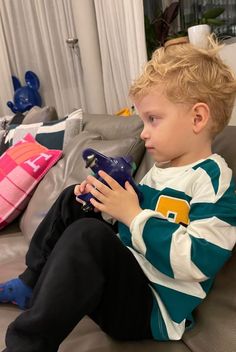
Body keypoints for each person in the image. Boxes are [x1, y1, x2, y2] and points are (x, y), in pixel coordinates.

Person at [1, 35, 236, 351]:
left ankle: (25, 345)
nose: (143, 132)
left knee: (88, 236)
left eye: (153, 119)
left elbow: (198, 261)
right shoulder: (161, 170)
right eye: (142, 120)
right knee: (75, 200)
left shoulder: (214, 180)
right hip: (126, 271)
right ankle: (31, 282)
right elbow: (131, 225)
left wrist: (132, 214)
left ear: (197, 118)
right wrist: (104, 204)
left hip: (152, 306)